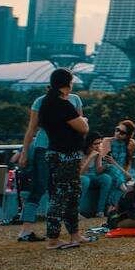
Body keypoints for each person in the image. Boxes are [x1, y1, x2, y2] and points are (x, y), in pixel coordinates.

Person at [11, 73, 83, 241]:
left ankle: (58, 231)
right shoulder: (41, 101)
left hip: (65, 149)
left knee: (59, 191)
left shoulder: (75, 100)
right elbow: (32, 129)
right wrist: (24, 151)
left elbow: (79, 124)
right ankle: (26, 229)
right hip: (45, 147)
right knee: (39, 186)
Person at [36, 67, 91, 250]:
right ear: (68, 83)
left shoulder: (45, 103)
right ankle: (53, 238)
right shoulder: (63, 104)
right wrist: (84, 120)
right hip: (67, 155)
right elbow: (82, 128)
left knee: (71, 194)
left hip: (54, 152)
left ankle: (74, 234)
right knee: (62, 196)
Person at [78, 132, 128, 219]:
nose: (98, 146)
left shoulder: (98, 151)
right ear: (88, 143)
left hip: (93, 176)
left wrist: (106, 164)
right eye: (95, 144)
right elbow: (80, 172)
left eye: (99, 143)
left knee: (106, 178)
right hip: (83, 176)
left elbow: (98, 170)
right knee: (86, 180)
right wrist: (90, 157)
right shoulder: (80, 152)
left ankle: (100, 211)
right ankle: (76, 211)